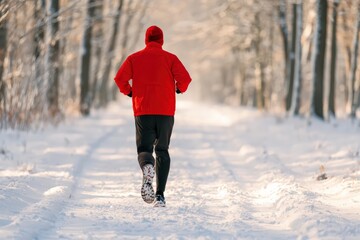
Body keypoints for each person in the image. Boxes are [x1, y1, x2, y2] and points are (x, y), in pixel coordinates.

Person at [114, 25, 192, 207]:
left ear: (146, 40)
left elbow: (120, 79)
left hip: (143, 111)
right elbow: (185, 79)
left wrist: (130, 92)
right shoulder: (171, 59)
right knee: (163, 151)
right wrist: (178, 89)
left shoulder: (134, 59)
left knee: (145, 150)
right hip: (165, 112)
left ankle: (147, 167)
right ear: (161, 40)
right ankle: (160, 196)